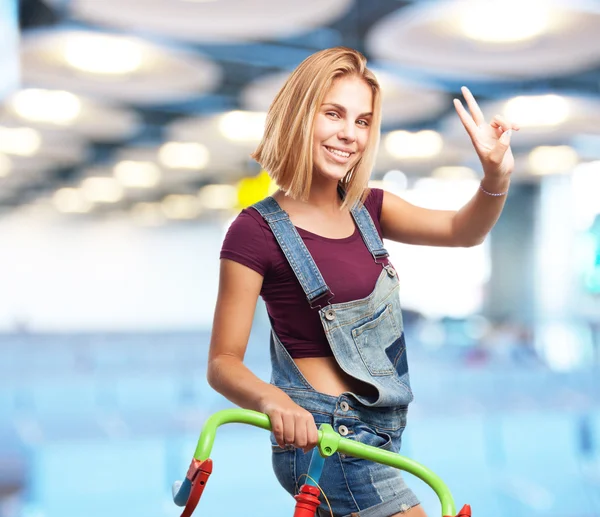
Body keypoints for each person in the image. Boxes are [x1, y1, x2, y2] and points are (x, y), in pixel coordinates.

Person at [208, 47, 518, 517]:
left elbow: (464, 232)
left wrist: (496, 174)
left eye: (362, 121)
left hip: (381, 433)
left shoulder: (369, 208)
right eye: (333, 113)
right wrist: (273, 401)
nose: (349, 134)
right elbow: (222, 362)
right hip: (324, 438)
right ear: (298, 115)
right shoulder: (254, 231)